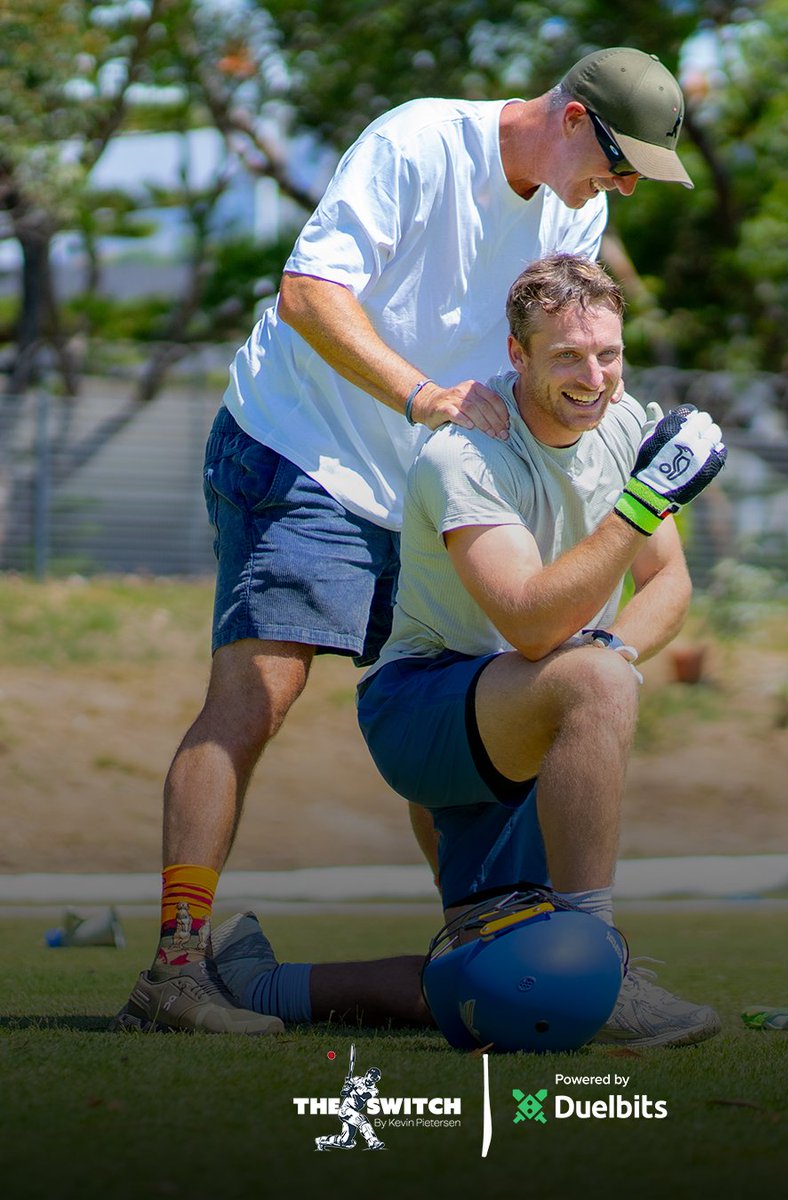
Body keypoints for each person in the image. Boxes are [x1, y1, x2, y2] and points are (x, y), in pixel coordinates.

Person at [112, 48, 697, 1034]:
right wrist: (425, 398)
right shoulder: (418, 141)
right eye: (620, 160)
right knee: (261, 692)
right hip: (303, 449)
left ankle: (526, 949)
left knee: (466, 702)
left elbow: (550, 353)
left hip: (425, 482)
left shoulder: (576, 208)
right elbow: (310, 294)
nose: (625, 185)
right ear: (569, 119)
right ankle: (175, 968)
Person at [209, 253, 726, 1049]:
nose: (595, 377)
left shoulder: (622, 422)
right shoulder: (467, 453)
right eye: (567, 357)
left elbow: (671, 585)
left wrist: (604, 655)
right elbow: (528, 625)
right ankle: (603, 962)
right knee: (592, 679)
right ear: (517, 356)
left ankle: (258, 982)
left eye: (609, 354)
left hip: (524, 709)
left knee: (495, 981)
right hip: (426, 710)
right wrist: (643, 505)